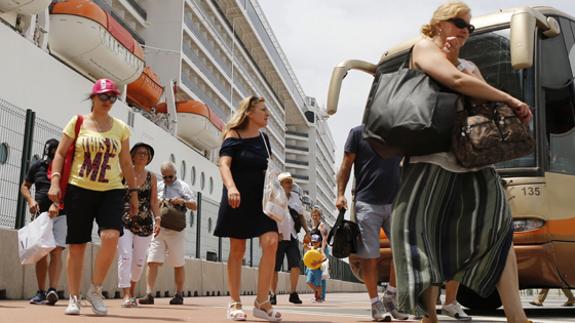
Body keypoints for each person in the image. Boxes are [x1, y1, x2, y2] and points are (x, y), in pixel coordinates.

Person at [389, 2, 533, 323]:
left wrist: (464, 66)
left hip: (472, 158)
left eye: (469, 27)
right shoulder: (423, 48)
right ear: (439, 23)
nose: (465, 31)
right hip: (430, 158)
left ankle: (516, 316)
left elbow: (481, 95)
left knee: (499, 231)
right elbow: (452, 81)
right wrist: (509, 98)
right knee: (428, 236)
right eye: (459, 23)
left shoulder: (467, 63)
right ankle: (430, 317)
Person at [48, 78, 139, 316]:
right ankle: (74, 296)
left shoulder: (120, 128)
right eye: (104, 96)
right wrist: (56, 181)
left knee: (110, 236)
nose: (109, 101)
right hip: (79, 188)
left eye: (113, 97)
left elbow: (127, 163)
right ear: (93, 97)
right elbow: (60, 153)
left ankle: (95, 290)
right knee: (77, 244)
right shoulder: (78, 122)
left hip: (111, 190)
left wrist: (134, 193)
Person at [214, 96, 281, 321]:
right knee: (237, 249)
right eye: (263, 110)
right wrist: (231, 187)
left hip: (260, 201)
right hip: (238, 197)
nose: (267, 114)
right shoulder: (234, 136)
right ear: (250, 113)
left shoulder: (265, 139)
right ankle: (234, 302)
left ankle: (262, 302)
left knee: (271, 241)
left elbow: (268, 168)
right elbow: (223, 164)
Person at [336, 125, 407, 321]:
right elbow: (346, 165)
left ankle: (390, 297)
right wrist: (340, 194)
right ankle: (375, 304)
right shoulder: (358, 133)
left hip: (396, 202)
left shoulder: (398, 134)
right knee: (370, 255)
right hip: (367, 203)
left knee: (402, 252)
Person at [138, 161, 196, 305]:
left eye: (170, 177)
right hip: (159, 227)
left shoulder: (183, 186)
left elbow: (195, 205)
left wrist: (181, 201)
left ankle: (179, 294)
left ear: (175, 174)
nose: (168, 180)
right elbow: (150, 203)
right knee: (152, 261)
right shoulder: (159, 186)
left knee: (178, 263)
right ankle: (149, 294)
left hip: (176, 230)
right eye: (165, 177)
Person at [20, 139, 67, 306]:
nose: (51, 163)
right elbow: (25, 186)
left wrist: (57, 204)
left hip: (61, 214)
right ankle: (40, 291)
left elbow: (68, 189)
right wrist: (30, 201)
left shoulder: (64, 167)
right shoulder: (37, 165)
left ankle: (52, 290)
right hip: (41, 216)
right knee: (41, 252)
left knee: (56, 251)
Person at [117, 142, 159, 308]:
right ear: (132, 156)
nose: (143, 155)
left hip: (145, 223)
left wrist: (158, 219)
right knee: (126, 256)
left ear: (149, 158)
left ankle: (132, 292)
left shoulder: (152, 177)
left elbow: (154, 201)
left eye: (146, 153)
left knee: (139, 260)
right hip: (124, 220)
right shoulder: (123, 174)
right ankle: (126, 294)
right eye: (140, 152)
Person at [269, 172, 309, 305]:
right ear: (280, 184)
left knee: (296, 265)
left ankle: (293, 293)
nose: (290, 184)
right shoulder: (274, 197)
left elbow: (301, 216)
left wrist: (307, 231)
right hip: (279, 236)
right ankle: (272, 294)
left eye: (291, 182)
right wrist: (274, 233)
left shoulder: (295, 198)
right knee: (275, 268)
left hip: (292, 236)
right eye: (287, 182)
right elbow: (269, 215)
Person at [304, 234, 326, 302]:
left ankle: (318, 298)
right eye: (313, 242)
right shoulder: (311, 248)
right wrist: (305, 243)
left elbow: (325, 258)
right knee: (308, 282)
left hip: (318, 270)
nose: (314, 243)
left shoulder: (320, 250)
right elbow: (305, 246)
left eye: (316, 242)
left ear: (319, 242)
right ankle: (317, 291)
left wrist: (317, 263)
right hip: (310, 269)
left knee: (317, 284)